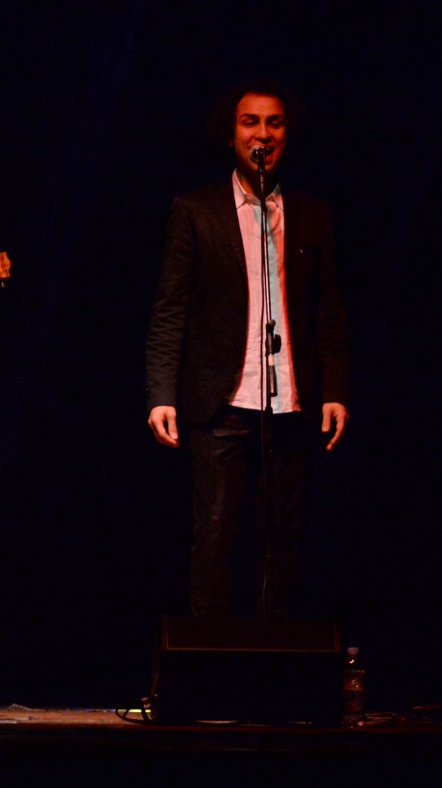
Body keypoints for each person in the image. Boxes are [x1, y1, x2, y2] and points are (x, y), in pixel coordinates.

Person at [145, 81, 350, 618]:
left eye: (274, 122)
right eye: (251, 122)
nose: (263, 133)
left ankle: (271, 669)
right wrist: (160, 393)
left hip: (290, 402)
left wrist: (334, 390)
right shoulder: (195, 210)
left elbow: (327, 312)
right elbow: (171, 308)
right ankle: (211, 670)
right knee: (215, 535)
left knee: (283, 537)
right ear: (231, 133)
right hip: (221, 402)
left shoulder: (311, 214)